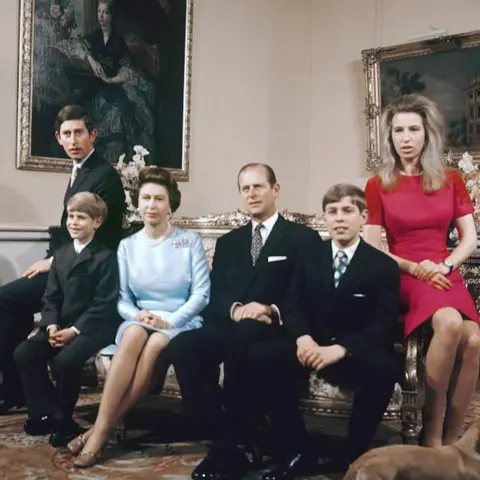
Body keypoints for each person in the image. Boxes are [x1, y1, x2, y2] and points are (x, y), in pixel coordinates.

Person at [168, 163, 321, 480]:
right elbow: (216, 293)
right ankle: (225, 443)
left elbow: (309, 294)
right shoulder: (229, 242)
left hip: (278, 330)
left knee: (251, 344)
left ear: (275, 190)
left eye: (258, 187)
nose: (252, 194)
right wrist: (237, 309)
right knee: (184, 345)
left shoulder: (303, 239)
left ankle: (233, 442)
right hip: (233, 326)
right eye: (245, 188)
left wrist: (270, 309)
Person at [253, 184, 401, 479]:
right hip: (311, 344)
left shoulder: (382, 266)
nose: (339, 218)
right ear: (324, 219)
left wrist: (342, 349)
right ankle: (298, 451)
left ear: (363, 217)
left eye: (347, 211)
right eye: (332, 212)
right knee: (262, 357)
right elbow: (293, 304)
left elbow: (384, 323)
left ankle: (353, 456)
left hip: (353, 349)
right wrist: (303, 338)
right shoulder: (310, 255)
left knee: (383, 370)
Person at [68, 166, 210, 468]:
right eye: (145, 197)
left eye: (159, 198)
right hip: (140, 319)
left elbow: (201, 295)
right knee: (132, 334)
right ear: (138, 202)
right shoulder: (128, 245)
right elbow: (122, 299)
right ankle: (103, 429)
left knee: (157, 343)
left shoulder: (190, 242)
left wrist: (169, 321)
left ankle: (99, 431)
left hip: (179, 321)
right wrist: (139, 316)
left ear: (170, 203)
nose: (151, 205)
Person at [363, 94, 480, 448]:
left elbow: (470, 237)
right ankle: (431, 437)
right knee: (449, 322)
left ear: (427, 134)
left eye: (413, 129)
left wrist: (443, 265)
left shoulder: (451, 179)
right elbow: (371, 248)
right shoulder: (377, 184)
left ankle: (451, 443)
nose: (406, 138)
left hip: (445, 272)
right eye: (398, 130)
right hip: (403, 274)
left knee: (475, 339)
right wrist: (417, 268)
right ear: (390, 136)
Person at [0, 104, 125, 418]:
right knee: (7, 301)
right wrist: (51, 259)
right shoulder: (80, 170)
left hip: (84, 271)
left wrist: (53, 262)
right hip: (65, 262)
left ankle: (21, 392)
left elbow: (104, 236)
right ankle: (21, 390)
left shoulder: (104, 175)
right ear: (58, 138)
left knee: (5, 299)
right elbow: (70, 230)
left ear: (92, 134)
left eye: (79, 133)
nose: (73, 140)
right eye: (66, 134)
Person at [13, 192, 121, 448]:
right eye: (71, 216)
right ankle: (49, 413)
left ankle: (61, 419)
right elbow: (50, 298)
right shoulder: (61, 256)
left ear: (97, 221)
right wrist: (50, 325)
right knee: (24, 353)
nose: (73, 222)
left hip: (93, 326)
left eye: (81, 217)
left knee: (65, 361)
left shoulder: (106, 258)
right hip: (60, 324)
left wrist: (74, 330)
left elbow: (104, 304)